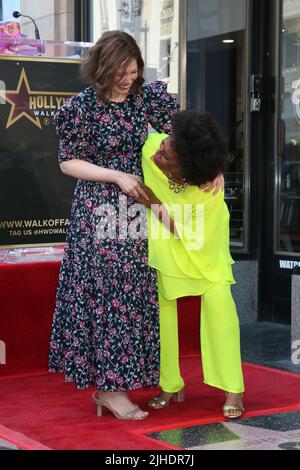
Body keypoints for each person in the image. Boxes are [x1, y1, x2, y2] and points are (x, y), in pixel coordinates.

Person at [48, 30, 181, 420]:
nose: (127, 78)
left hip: (142, 209)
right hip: (98, 211)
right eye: (120, 71)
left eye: (133, 69)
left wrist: (209, 170)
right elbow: (67, 161)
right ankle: (110, 389)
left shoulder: (147, 100)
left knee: (135, 296)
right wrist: (116, 176)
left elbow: (179, 136)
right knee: (108, 298)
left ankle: (123, 382)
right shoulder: (83, 107)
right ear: (102, 68)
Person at [134, 111, 245, 419]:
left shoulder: (208, 190)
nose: (159, 152)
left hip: (204, 245)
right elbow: (141, 126)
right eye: (164, 144)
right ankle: (170, 384)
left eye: (167, 156)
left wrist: (152, 202)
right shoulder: (153, 148)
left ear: (187, 170)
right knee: (165, 311)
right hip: (166, 245)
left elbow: (187, 232)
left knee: (220, 308)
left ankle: (233, 388)